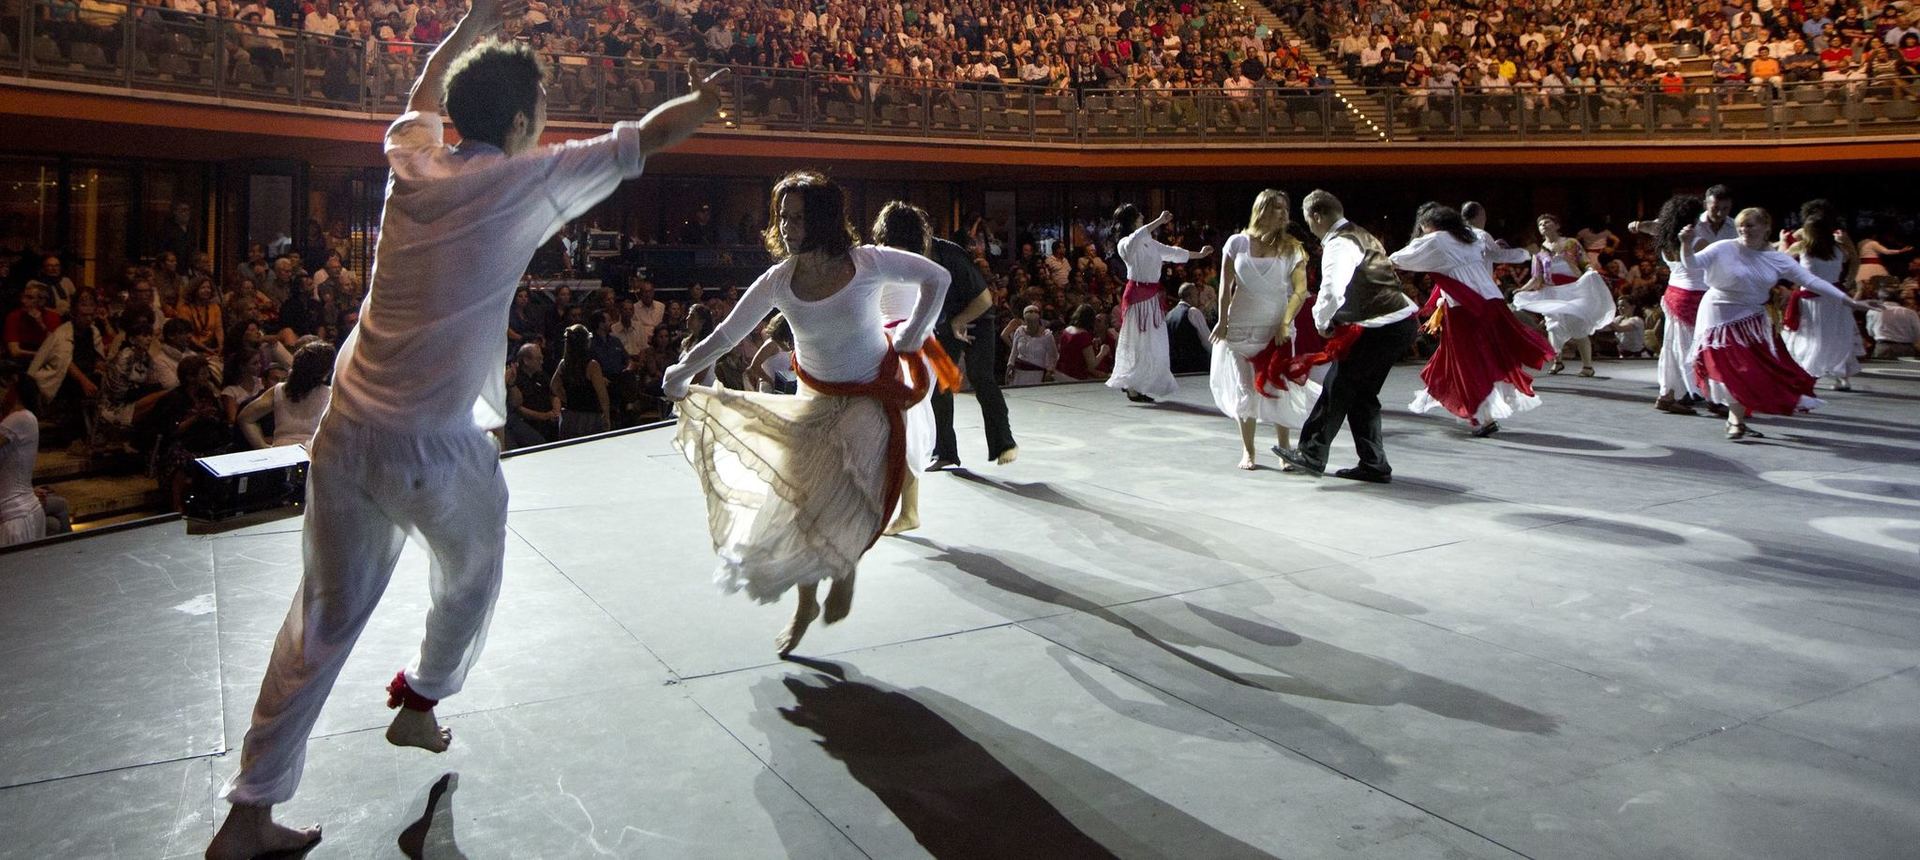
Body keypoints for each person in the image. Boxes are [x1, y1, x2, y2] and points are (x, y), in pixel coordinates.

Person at [207, 0, 728, 852]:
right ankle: (421, 700)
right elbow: (648, 138)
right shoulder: (526, 180)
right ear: (520, 123)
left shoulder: (412, 161)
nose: (546, 124)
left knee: (319, 623)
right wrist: (704, 103)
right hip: (433, 447)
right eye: (542, 112)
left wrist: (472, 23)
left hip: (345, 432)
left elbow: (421, 88)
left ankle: (248, 815)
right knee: (474, 572)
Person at [662, 170, 950, 658]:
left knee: (845, 497)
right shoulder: (779, 281)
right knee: (802, 508)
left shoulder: (866, 262)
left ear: (822, 220)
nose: (786, 226)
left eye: (796, 217)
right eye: (782, 216)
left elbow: (936, 278)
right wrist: (683, 370)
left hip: (869, 397)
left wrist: (912, 335)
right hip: (814, 400)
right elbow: (728, 334)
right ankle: (805, 605)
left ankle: (843, 565)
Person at [1682, 208, 1870, 440]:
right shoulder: (1723, 247)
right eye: (1741, 225)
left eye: (1750, 225)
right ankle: (1736, 420)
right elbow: (1691, 264)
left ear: (1766, 228)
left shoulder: (1777, 258)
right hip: (1718, 314)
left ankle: (1736, 418)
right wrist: (1686, 244)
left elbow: (1811, 280)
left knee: (1754, 369)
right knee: (1732, 368)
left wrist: (1850, 301)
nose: (1744, 230)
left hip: (1752, 316)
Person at [1273, 190, 1418, 482]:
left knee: (1337, 386)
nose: (1310, 228)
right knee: (1361, 395)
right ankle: (1374, 464)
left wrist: (1321, 321)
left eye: (1308, 221)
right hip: (1399, 322)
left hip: (1382, 326)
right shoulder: (1362, 234)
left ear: (1317, 216)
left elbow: (1332, 289)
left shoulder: (1339, 243)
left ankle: (1311, 454)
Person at [1395, 203, 1556, 437]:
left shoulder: (1436, 240)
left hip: (1466, 307)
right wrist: (1524, 253)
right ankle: (1483, 414)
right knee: (1485, 357)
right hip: (1492, 302)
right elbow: (1500, 255)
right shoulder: (1472, 237)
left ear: (1428, 224)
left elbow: (1399, 259)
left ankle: (1482, 418)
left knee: (1467, 363)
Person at [874, 203, 1015, 471]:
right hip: (940, 322)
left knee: (981, 377)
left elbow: (984, 299)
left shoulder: (950, 255)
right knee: (938, 383)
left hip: (975, 316)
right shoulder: (898, 258)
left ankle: (1003, 443)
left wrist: (959, 322)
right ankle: (945, 451)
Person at [1208, 189, 1319, 471]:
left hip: (1276, 329)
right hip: (1240, 326)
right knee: (1245, 390)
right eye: (1277, 208)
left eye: (1285, 208)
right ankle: (1248, 451)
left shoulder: (1293, 247)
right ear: (1262, 210)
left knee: (1278, 388)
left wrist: (1285, 323)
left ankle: (1284, 450)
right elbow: (1225, 286)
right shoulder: (1237, 243)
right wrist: (1222, 321)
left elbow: (1301, 291)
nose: (1283, 213)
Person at [1107, 205, 1213, 403]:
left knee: (1153, 344)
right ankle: (1132, 385)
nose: (1142, 216)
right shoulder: (1125, 243)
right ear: (1131, 220)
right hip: (1137, 297)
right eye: (1138, 215)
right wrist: (1159, 221)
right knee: (1139, 342)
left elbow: (1172, 252)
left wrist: (1199, 254)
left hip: (1151, 298)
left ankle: (1139, 384)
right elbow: (1136, 237)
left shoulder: (1149, 242)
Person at [1630, 195, 1712, 415]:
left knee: (1672, 347)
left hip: (1672, 294)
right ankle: (1705, 395)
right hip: (1693, 298)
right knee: (1692, 348)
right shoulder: (1697, 242)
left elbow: (1650, 226)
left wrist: (1639, 225)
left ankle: (1667, 394)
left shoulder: (1665, 237)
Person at [1513, 214, 1616, 377]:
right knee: (1553, 326)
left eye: (1547, 222)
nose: (1543, 225)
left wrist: (1591, 271)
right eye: (1540, 224)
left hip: (1572, 290)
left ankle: (1587, 366)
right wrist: (1522, 289)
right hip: (1552, 291)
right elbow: (1536, 277)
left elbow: (1585, 262)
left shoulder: (1571, 243)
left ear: (1557, 225)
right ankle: (1557, 362)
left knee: (1578, 324)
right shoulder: (1539, 252)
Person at [1780, 201, 1863, 391]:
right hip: (1832, 299)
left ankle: (1811, 374)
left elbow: (1779, 260)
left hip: (1814, 301)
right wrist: (1848, 280)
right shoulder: (1838, 248)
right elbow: (1854, 259)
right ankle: (1840, 377)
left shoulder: (1802, 247)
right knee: (1836, 336)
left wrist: (1783, 241)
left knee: (1812, 336)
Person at [236, 341, 334, 449]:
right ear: (325, 372)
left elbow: (245, 418)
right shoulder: (331, 394)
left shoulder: (280, 390)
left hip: (282, 454)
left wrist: (263, 448)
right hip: (315, 453)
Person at [550, 323, 611, 438]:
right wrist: (607, 416)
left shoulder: (564, 364)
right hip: (589, 418)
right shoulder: (592, 365)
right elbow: (602, 395)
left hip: (569, 417)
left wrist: (568, 399)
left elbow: (554, 386)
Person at [1166, 283, 1212, 374]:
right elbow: (1207, 341)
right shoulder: (1193, 312)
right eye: (1197, 295)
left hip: (1175, 368)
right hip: (1195, 367)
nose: (1198, 298)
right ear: (1190, 297)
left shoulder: (1169, 315)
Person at [1006, 304, 1058, 385]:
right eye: (1029, 322)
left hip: (1037, 375)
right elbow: (1014, 352)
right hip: (1019, 374)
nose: (1031, 324)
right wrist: (1010, 366)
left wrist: (1049, 371)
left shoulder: (1047, 336)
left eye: (1034, 322)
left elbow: (1053, 356)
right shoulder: (1019, 332)